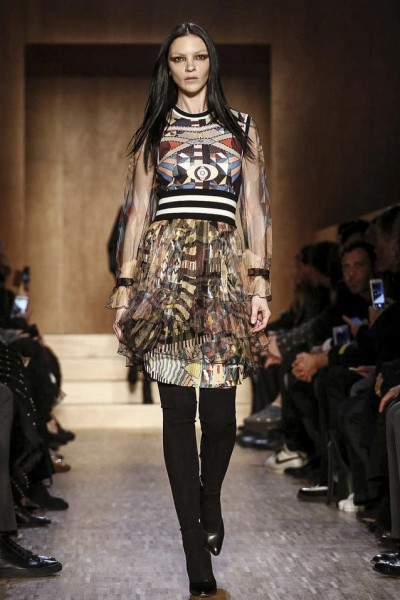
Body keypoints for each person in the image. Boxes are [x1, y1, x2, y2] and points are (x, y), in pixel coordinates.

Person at [108, 22, 271, 597]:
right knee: (177, 413)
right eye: (179, 59)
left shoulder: (242, 128)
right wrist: (125, 288)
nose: (191, 67)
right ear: (169, 67)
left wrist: (260, 285)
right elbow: (136, 214)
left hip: (224, 279)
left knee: (221, 417)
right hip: (166, 278)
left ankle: (210, 498)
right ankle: (193, 552)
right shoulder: (154, 130)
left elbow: (255, 209)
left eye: (199, 56)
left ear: (211, 62)